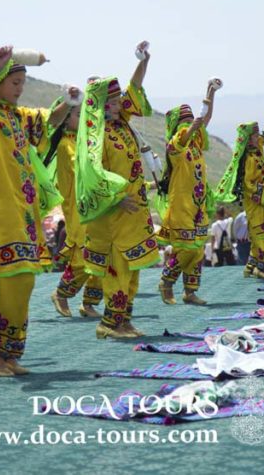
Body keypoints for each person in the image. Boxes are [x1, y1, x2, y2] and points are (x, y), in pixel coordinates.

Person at [0, 46, 73, 376]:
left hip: (26, 211)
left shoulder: (18, 116)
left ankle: (10, 353)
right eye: (14, 82)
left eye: (22, 83)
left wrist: (69, 102)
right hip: (2, 210)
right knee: (13, 281)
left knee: (25, 282)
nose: (20, 88)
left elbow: (49, 121)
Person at [76, 42, 161, 339]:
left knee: (133, 268)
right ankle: (109, 324)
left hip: (134, 212)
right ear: (100, 105)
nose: (119, 104)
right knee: (118, 269)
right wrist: (116, 198)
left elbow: (134, 89)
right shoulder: (94, 138)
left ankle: (124, 321)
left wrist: (143, 62)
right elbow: (92, 175)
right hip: (114, 214)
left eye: (118, 100)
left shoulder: (122, 123)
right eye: (112, 101)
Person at [158, 78, 219, 306]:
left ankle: (190, 291)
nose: (188, 125)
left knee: (198, 250)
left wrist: (210, 92)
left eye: (190, 121)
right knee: (185, 249)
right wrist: (192, 126)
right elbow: (184, 136)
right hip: (181, 205)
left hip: (198, 205)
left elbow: (206, 118)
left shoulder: (196, 143)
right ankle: (166, 282)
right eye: (183, 122)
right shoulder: (175, 147)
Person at [214, 97, 264, 280]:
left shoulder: (258, 147)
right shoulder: (248, 159)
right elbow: (249, 184)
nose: (258, 137)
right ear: (247, 140)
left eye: (257, 135)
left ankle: (251, 266)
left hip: (263, 199)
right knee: (262, 233)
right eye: (254, 136)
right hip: (256, 201)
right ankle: (262, 268)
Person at [48, 90, 104, 319]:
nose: (82, 120)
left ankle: (89, 303)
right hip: (78, 210)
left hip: (94, 207)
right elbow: (81, 171)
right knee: (83, 258)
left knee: (102, 254)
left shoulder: (82, 142)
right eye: (78, 115)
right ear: (65, 119)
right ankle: (61, 293)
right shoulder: (65, 145)